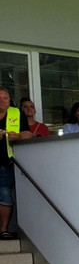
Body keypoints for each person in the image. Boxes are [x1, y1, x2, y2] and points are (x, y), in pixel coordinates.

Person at [1, 88, 31, 239]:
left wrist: (18, 136)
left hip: (6, 160)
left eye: (5, 97)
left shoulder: (16, 113)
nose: (2, 100)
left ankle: (3, 230)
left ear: (9, 99)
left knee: (4, 193)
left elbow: (28, 133)